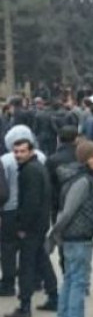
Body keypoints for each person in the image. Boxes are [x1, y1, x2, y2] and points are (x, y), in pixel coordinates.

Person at [45, 141, 93, 317]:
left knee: (70, 279)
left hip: (72, 237)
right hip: (79, 237)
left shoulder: (73, 177)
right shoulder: (82, 181)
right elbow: (68, 211)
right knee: (78, 282)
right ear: (87, 159)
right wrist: (54, 234)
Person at [5, 136, 57, 317]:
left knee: (26, 265)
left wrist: (22, 226)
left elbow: (31, 202)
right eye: (16, 152)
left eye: (22, 151)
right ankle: (54, 296)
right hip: (40, 223)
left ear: (31, 151)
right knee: (41, 260)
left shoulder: (29, 171)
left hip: (32, 226)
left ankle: (25, 305)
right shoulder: (36, 167)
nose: (18, 155)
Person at [0, 126, 43, 297]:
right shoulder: (40, 156)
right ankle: (36, 280)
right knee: (32, 246)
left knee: (8, 248)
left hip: (9, 209)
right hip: (33, 209)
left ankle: (8, 283)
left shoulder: (5, 160)